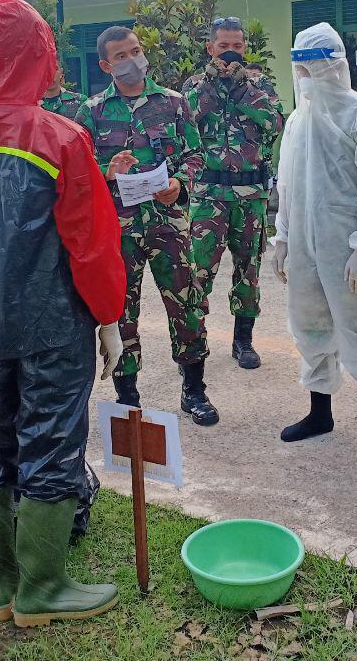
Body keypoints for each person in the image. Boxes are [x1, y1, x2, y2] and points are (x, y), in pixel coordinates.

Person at [0, 0, 127, 627]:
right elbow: (90, 241)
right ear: (41, 56)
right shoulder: (61, 137)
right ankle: (42, 587)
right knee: (49, 441)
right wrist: (108, 316)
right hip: (51, 323)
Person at [271, 23, 357, 464]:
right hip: (306, 245)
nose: (309, 77)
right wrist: (283, 237)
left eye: (317, 66)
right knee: (309, 327)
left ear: (338, 65)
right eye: (302, 68)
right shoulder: (296, 120)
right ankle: (319, 412)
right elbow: (288, 186)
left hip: (347, 247)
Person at [75, 26, 216, 425]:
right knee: (121, 310)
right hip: (118, 228)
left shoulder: (173, 103)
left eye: (135, 51)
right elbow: (80, 170)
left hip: (168, 222)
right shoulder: (92, 111)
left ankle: (194, 389)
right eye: (121, 56)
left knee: (187, 302)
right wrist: (108, 169)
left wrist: (179, 183)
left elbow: (194, 154)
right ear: (106, 65)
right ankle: (127, 394)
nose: (132, 60)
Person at [182, 17, 284, 370]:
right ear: (210, 48)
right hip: (209, 194)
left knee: (248, 270)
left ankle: (244, 341)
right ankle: (194, 343)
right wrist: (213, 85)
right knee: (199, 270)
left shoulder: (259, 84)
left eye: (237, 45)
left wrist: (242, 90)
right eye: (223, 45)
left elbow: (275, 122)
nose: (230, 52)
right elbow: (185, 127)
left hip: (250, 193)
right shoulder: (194, 87)